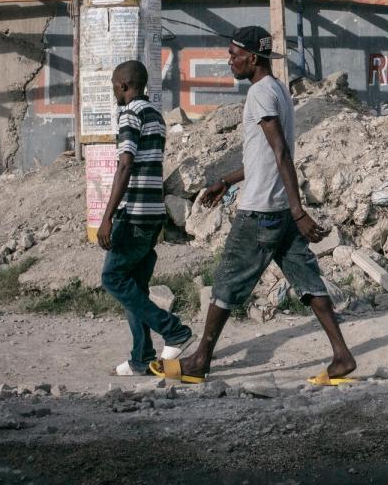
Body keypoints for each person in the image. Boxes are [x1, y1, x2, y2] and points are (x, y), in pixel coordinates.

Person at [152, 26, 356, 385]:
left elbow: (280, 152)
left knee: (226, 284)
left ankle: (200, 360)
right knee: (309, 282)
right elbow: (264, 155)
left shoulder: (260, 94)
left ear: (253, 58)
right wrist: (226, 180)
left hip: (262, 211)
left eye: (234, 54)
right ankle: (341, 356)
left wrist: (299, 210)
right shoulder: (276, 88)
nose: (230, 61)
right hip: (278, 210)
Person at [98, 60, 193, 375]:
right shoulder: (155, 115)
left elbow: (125, 165)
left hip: (134, 213)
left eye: (114, 85)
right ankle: (141, 357)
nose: (114, 91)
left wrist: (107, 216)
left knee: (112, 278)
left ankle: (174, 329)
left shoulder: (130, 114)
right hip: (153, 214)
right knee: (135, 286)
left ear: (124, 85)